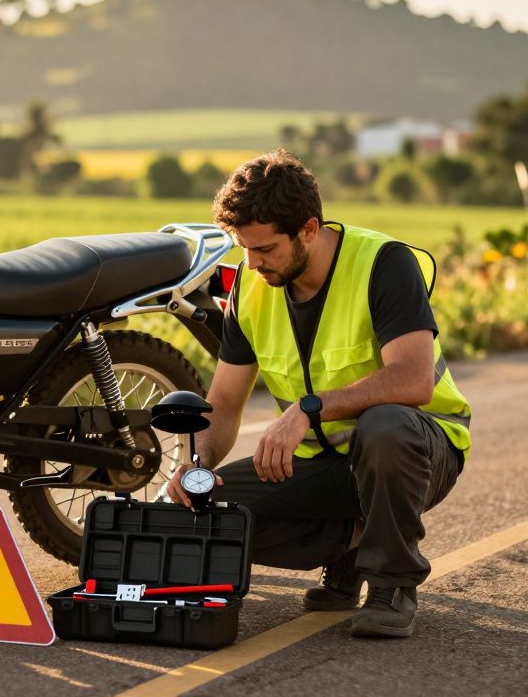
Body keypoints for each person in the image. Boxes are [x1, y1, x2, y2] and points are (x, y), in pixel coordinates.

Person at [166, 149, 472, 638]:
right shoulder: (250, 285)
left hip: (417, 450)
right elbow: (223, 405)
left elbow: (413, 380)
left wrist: (309, 409)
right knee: (207, 510)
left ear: (308, 228)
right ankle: (349, 547)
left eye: (265, 249)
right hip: (321, 463)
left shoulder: (384, 264)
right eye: (243, 247)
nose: (252, 262)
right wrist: (196, 466)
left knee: (385, 426)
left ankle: (392, 582)